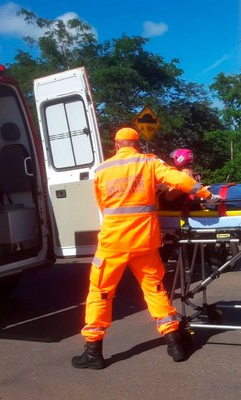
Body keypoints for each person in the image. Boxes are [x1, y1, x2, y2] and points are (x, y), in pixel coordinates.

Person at [71, 127, 222, 370]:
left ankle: (93, 352)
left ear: (117, 144)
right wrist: (205, 194)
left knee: (100, 293)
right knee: (155, 290)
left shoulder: (102, 169)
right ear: (137, 144)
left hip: (113, 243)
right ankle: (175, 345)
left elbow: (102, 205)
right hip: (145, 241)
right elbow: (182, 180)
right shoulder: (149, 163)